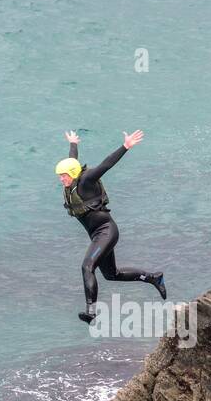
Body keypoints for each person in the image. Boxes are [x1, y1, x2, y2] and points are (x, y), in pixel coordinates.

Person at [57, 130, 166, 324]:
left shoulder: (87, 180)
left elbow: (106, 165)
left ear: (72, 175)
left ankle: (91, 311)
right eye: (60, 176)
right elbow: (72, 160)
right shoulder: (71, 183)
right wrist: (73, 143)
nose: (61, 179)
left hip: (106, 231)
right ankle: (153, 278)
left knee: (87, 267)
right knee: (111, 274)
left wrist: (126, 146)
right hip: (97, 236)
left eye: (63, 176)